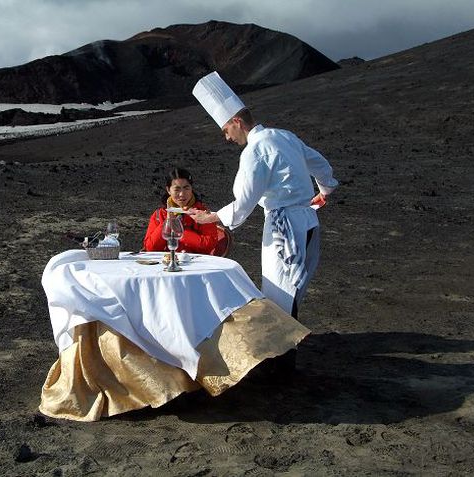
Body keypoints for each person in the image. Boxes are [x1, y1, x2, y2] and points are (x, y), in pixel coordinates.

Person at [189, 72, 339, 371]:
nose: (226, 137)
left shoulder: (255, 151)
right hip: (308, 221)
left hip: (285, 226)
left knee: (279, 293)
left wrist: (214, 217)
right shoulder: (284, 136)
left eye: (225, 130)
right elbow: (319, 163)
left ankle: (281, 363)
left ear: (236, 121)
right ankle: (284, 355)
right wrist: (325, 189)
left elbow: (243, 202)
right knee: (295, 290)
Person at [142, 167, 219, 254]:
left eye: (186, 188)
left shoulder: (202, 213)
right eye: (177, 189)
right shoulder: (159, 214)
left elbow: (208, 246)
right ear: (168, 190)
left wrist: (179, 231)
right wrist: (167, 223)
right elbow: (150, 248)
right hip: (165, 263)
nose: (182, 194)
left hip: (196, 264)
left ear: (191, 188)